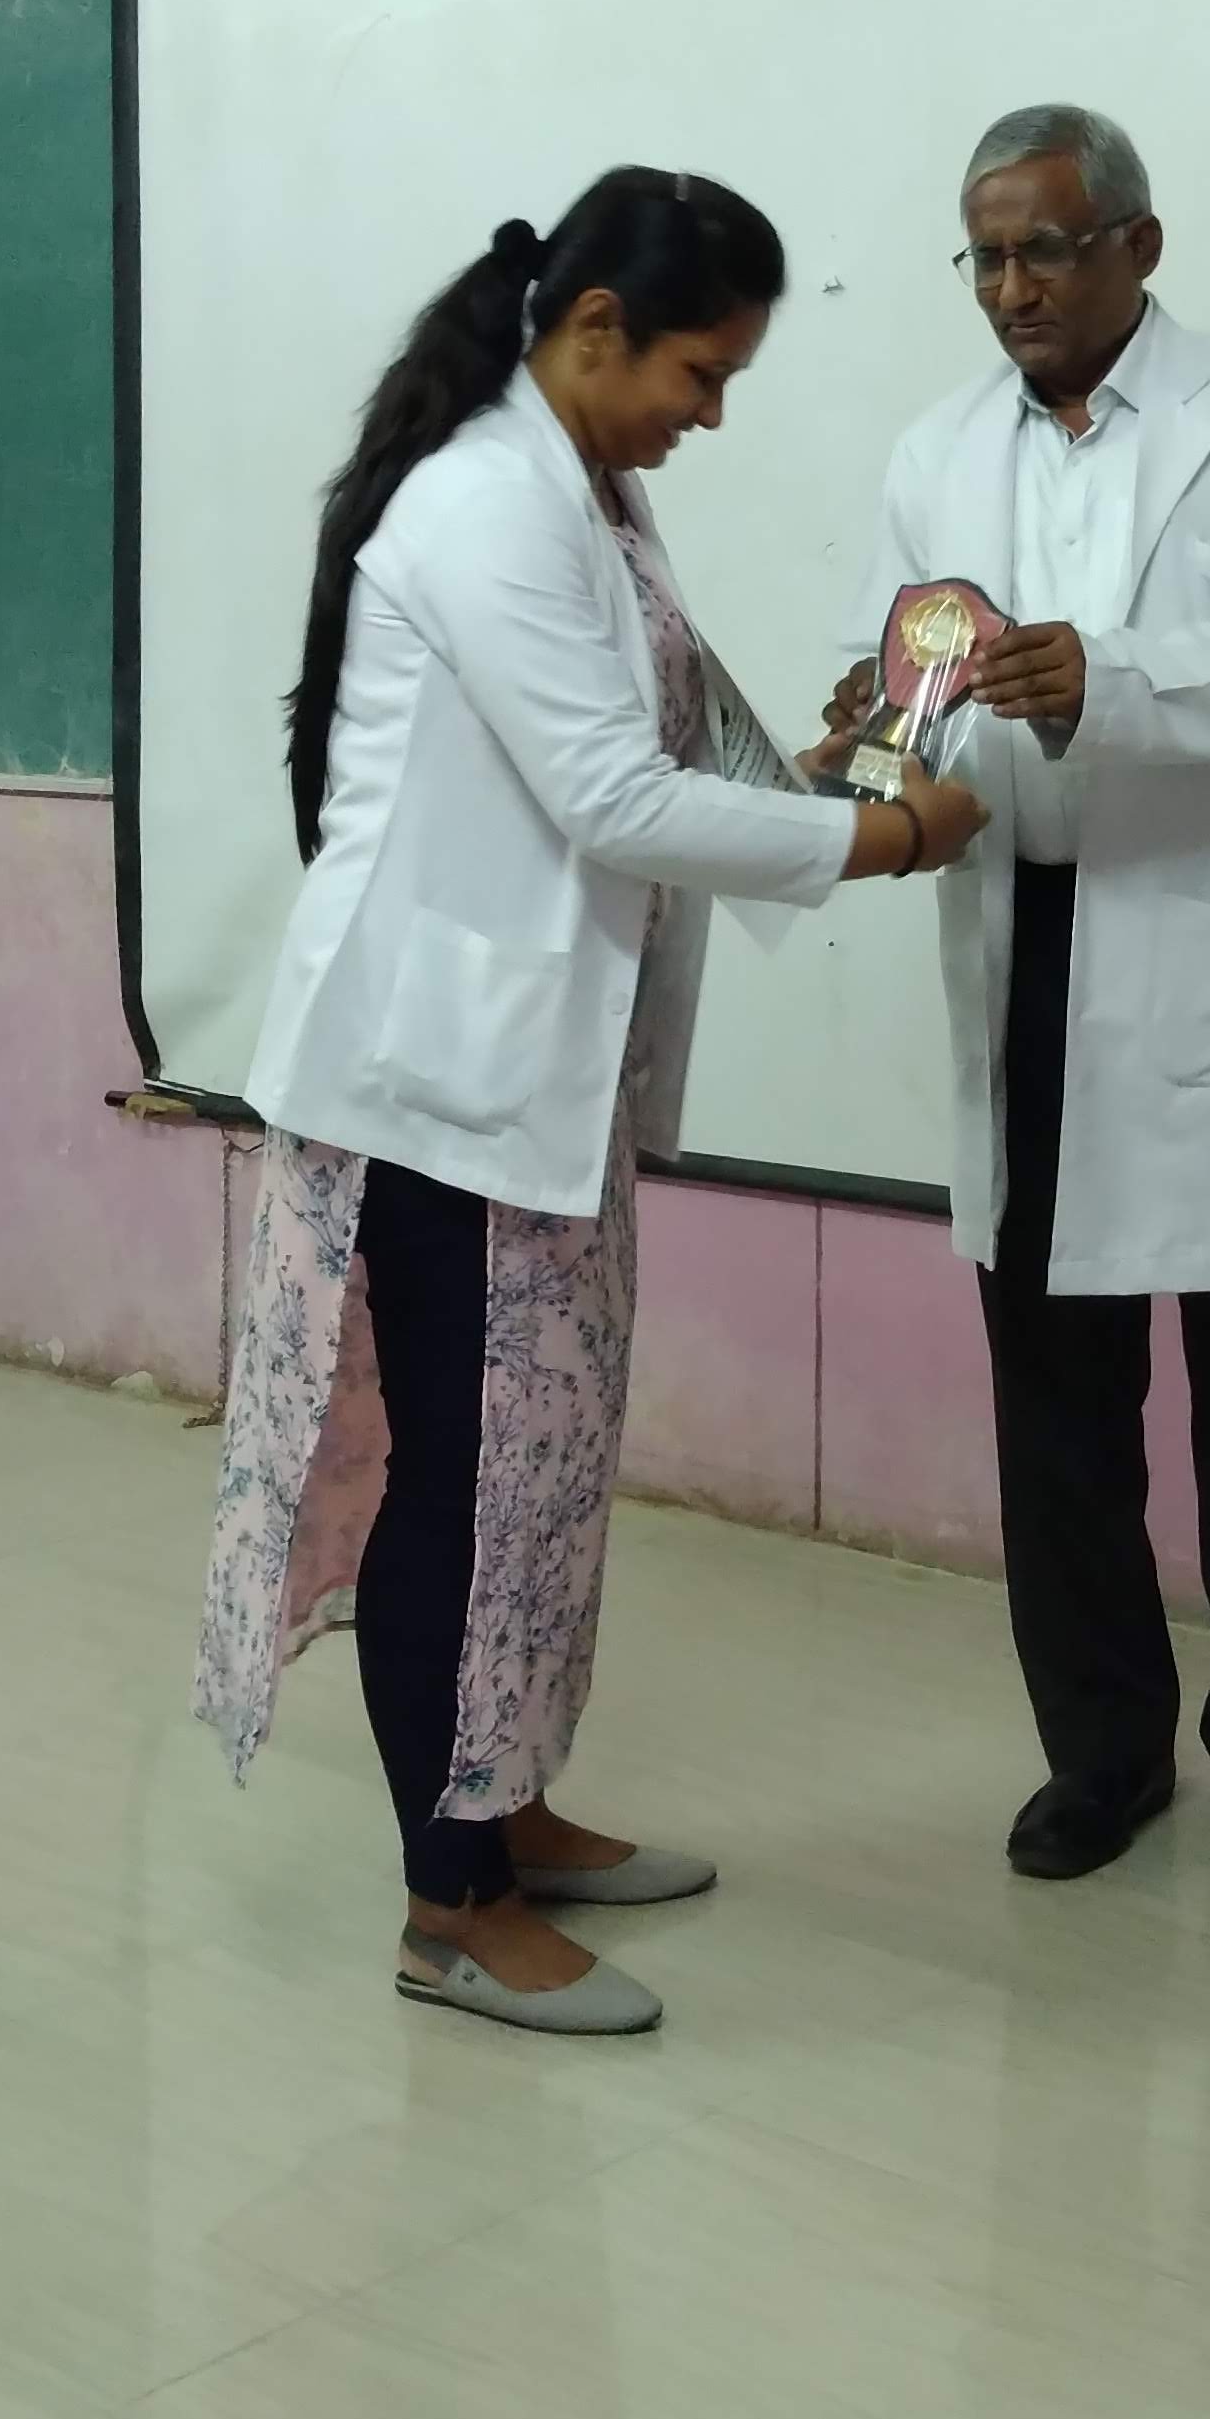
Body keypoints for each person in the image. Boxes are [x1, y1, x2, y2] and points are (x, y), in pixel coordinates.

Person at [197, 172, 983, 2036]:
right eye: (702, 375)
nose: (709, 415)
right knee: (461, 1491)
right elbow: (614, 800)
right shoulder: (487, 502)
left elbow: (661, 739)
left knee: (539, 1474)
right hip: (431, 1091)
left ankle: (511, 1804)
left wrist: (838, 762)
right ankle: (447, 1904)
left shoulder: (592, 493)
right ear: (598, 327)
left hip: (533, 1083)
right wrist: (878, 840)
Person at [839, 105, 1210, 1899]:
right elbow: (903, 653)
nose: (1014, 288)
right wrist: (873, 715)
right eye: (986, 257)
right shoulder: (935, 450)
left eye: (1047, 251)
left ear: (1137, 247)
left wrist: (1111, 678)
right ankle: (1100, 1752)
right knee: (1058, 1408)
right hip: (1027, 940)